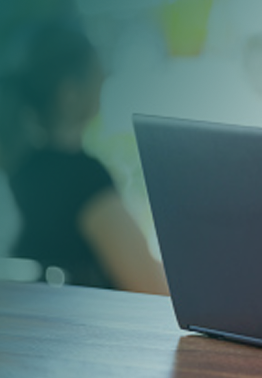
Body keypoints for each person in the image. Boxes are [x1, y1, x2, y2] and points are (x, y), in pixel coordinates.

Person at [3, 24, 168, 294]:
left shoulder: (19, 172)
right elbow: (151, 287)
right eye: (98, 75)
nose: (104, 80)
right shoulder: (82, 178)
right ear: (69, 93)